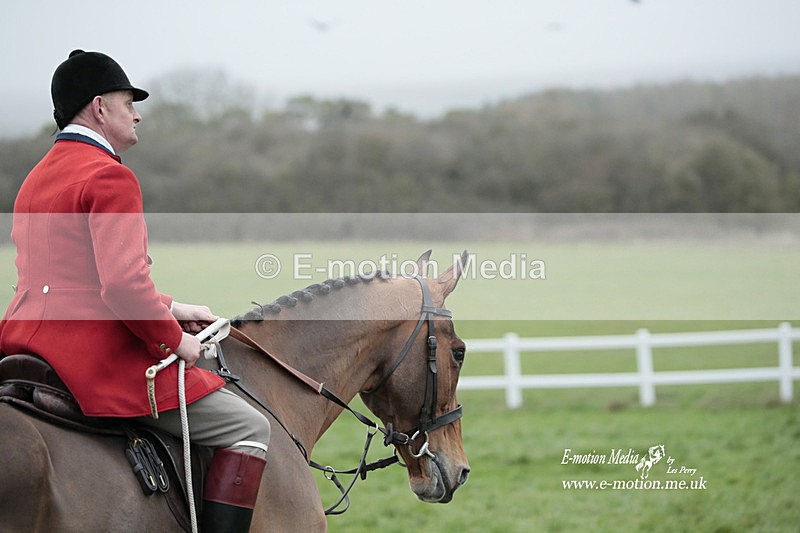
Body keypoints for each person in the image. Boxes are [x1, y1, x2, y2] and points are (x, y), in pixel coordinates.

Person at [0, 50, 270, 532]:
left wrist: (173, 305)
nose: (138, 113)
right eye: (129, 102)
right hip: (91, 357)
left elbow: (71, 277)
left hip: (25, 343)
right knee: (249, 426)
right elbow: (122, 287)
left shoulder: (35, 177)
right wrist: (178, 339)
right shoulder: (110, 175)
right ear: (100, 108)